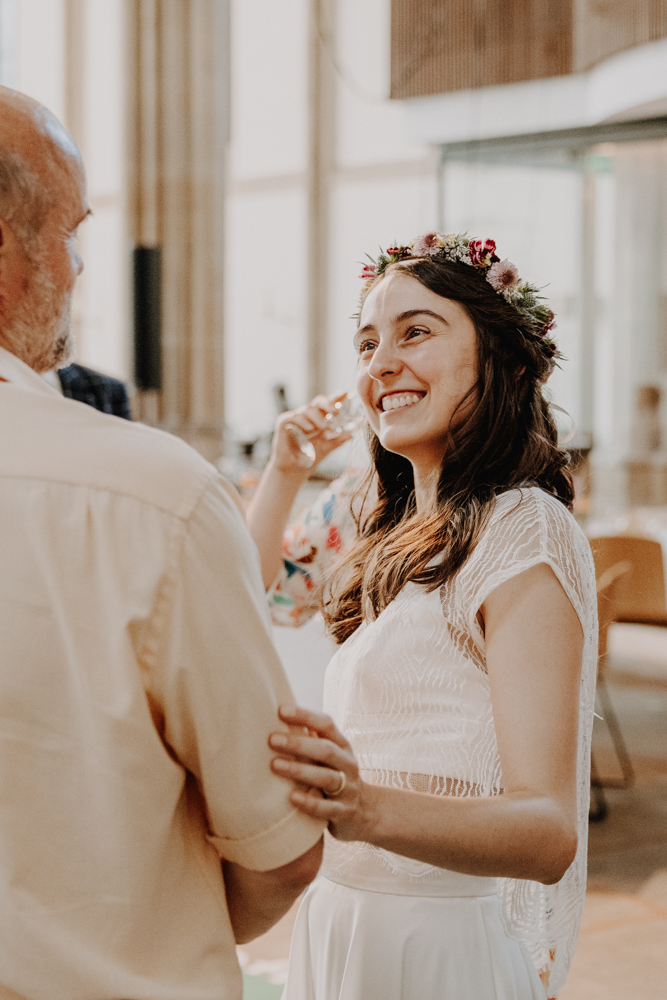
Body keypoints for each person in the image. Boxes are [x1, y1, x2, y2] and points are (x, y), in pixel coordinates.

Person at [0, 85, 324, 998]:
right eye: (71, 234)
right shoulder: (153, 493)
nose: (78, 270)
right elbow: (282, 855)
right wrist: (121, 929)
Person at [253, 233, 598, 999]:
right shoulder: (377, 520)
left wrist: (359, 802)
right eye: (367, 341)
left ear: (504, 363)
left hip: (434, 949)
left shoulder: (522, 529)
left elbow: (546, 833)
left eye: (415, 331)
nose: (379, 363)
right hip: (337, 921)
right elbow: (246, 599)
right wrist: (283, 472)